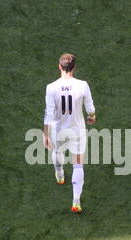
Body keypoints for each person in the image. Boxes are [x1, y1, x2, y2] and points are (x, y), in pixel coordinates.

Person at [43, 53, 96, 213]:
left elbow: (49, 113)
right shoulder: (83, 85)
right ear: (74, 67)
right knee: (78, 165)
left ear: (59, 67)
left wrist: (45, 134)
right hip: (77, 131)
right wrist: (91, 117)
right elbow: (90, 108)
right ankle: (76, 202)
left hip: (58, 130)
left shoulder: (51, 87)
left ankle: (59, 174)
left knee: (57, 151)